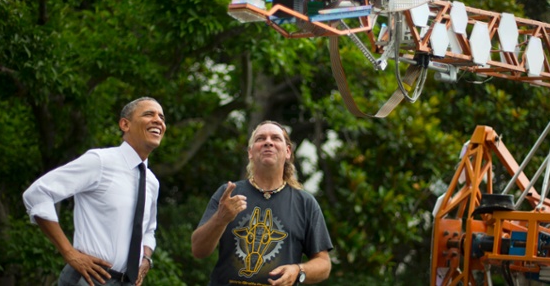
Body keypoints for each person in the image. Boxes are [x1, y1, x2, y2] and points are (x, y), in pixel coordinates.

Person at [23, 97, 166, 286]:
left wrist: (146, 258)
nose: (158, 121)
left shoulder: (152, 182)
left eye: (162, 118)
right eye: (149, 114)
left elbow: (148, 229)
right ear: (125, 124)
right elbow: (37, 194)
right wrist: (69, 253)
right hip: (89, 279)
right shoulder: (100, 161)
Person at [192, 120, 333, 285]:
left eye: (275, 138)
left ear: (288, 152)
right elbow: (198, 250)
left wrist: (298, 270)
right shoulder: (228, 194)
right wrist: (220, 219)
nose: (268, 142)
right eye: (260, 138)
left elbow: (324, 263)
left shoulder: (305, 203)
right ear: (250, 152)